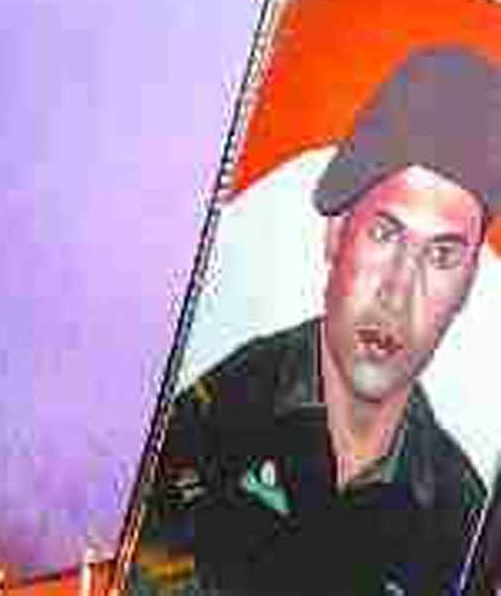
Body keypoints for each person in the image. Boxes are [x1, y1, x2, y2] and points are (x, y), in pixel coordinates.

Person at [131, 47, 501, 596]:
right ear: (336, 234)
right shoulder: (212, 418)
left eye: (441, 256)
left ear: (467, 286)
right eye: (385, 233)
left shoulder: (462, 514)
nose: (398, 293)